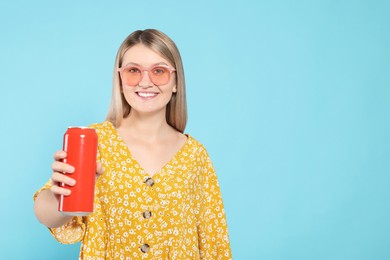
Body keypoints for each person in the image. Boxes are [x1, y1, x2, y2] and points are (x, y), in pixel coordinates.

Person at [34, 29, 232, 259]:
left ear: (176, 82)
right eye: (133, 71)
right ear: (120, 80)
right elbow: (48, 214)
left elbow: (214, 242)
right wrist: (61, 197)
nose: (145, 82)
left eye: (159, 71)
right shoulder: (94, 141)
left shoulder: (195, 156)